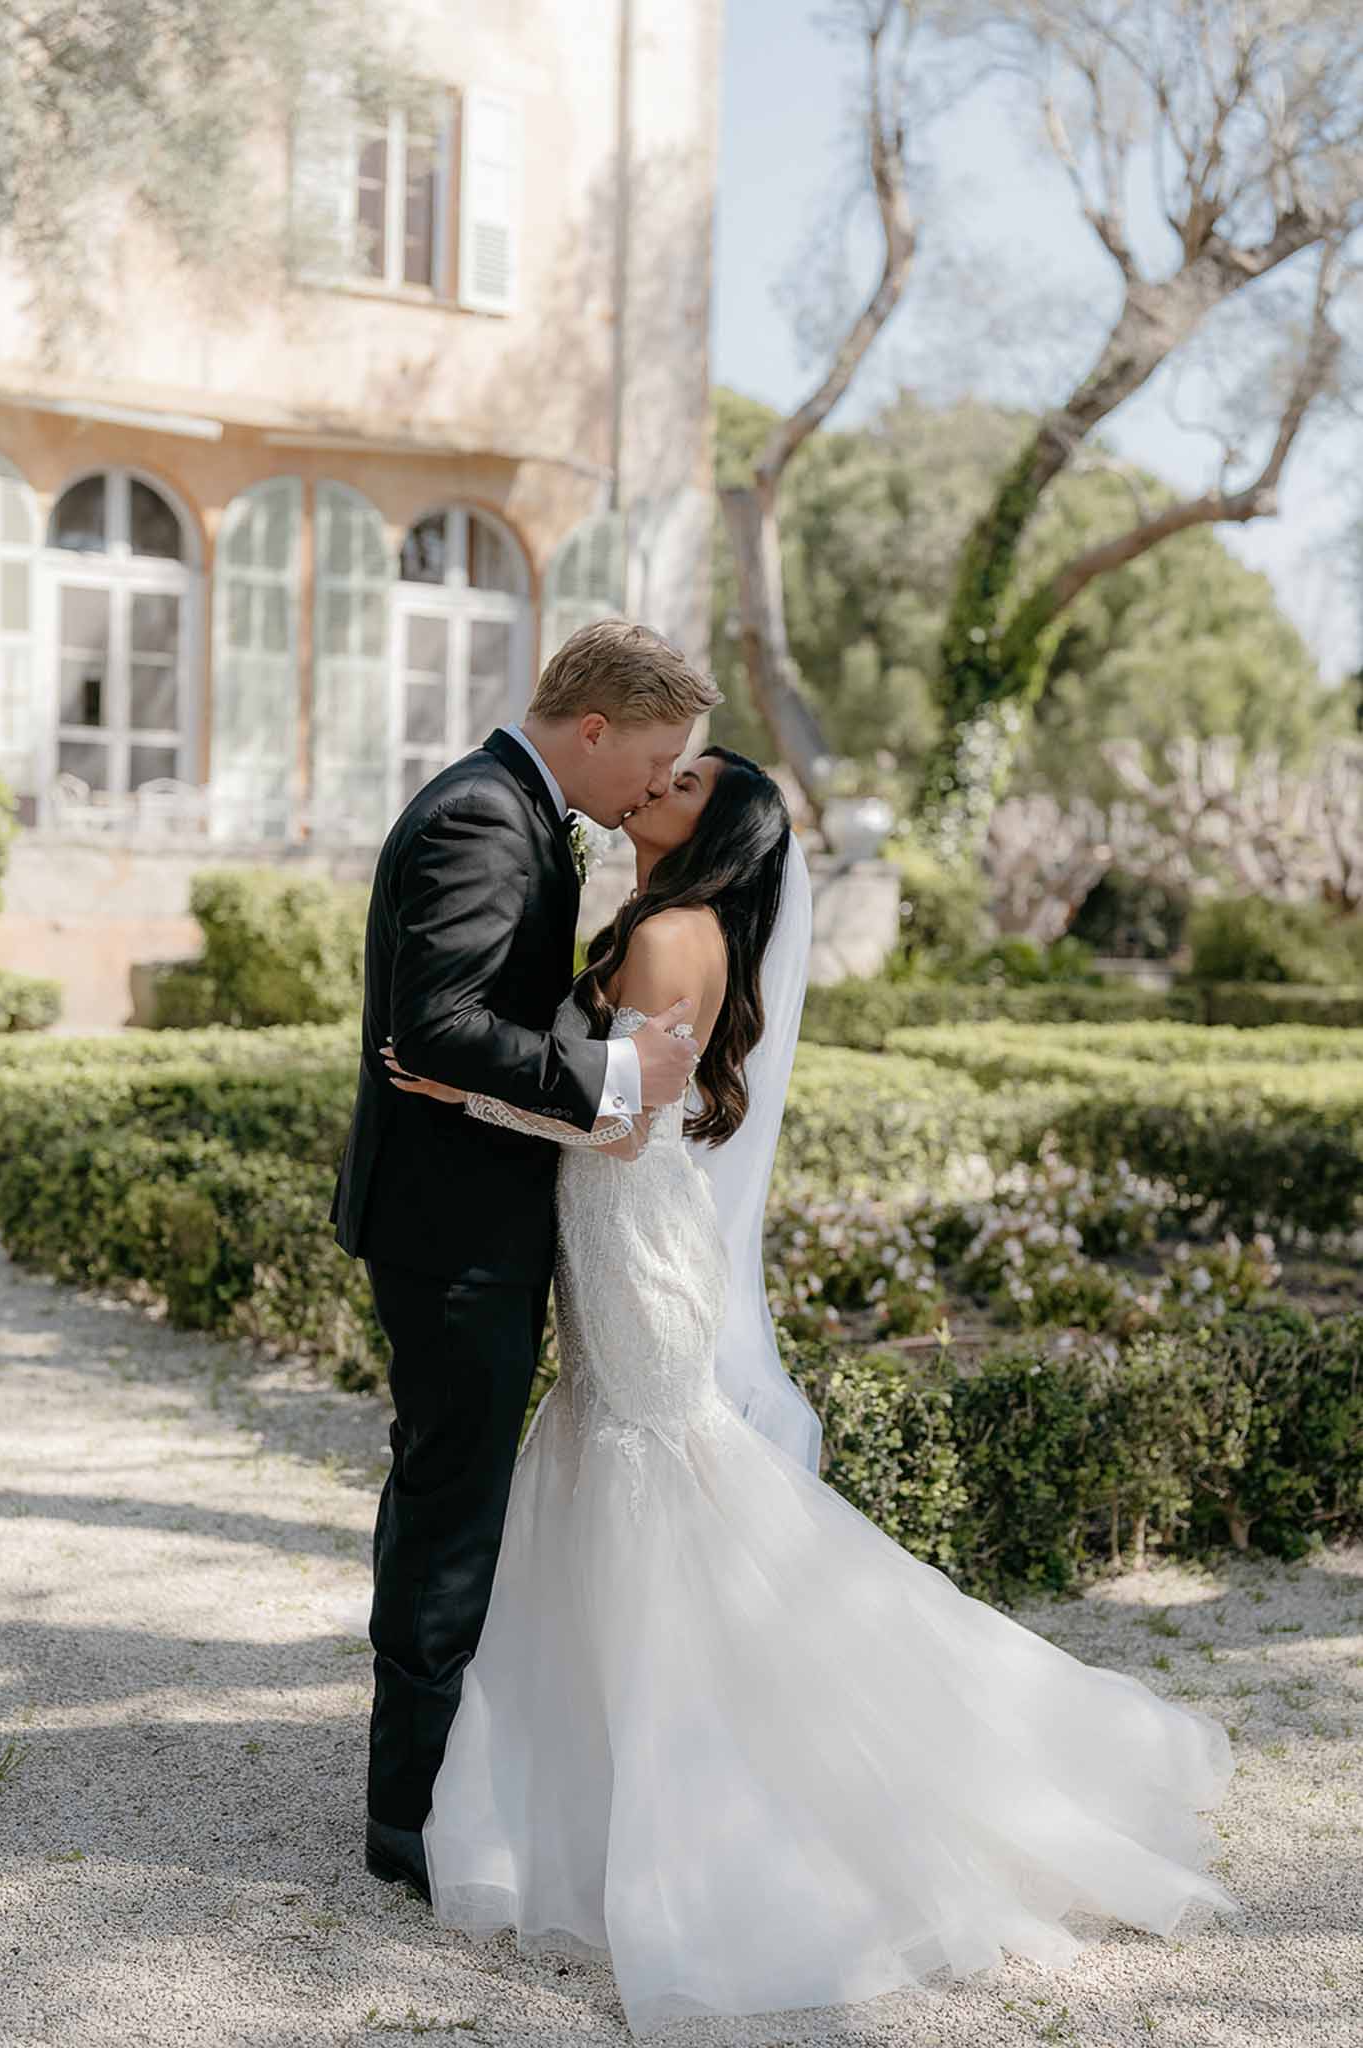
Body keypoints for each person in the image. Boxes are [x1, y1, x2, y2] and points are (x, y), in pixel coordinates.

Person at [380, 744, 1242, 2041]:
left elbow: (619, 1119)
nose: (655, 786)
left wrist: (469, 1090)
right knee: (619, 1473)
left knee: (662, 1485)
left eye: (684, 785)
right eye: (663, 773)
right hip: (616, 1234)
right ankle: (596, 1786)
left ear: (719, 832)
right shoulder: (664, 920)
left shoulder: (668, 934)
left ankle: (712, 1791)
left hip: (637, 1247)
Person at [329, 617, 723, 1900]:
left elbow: (464, 1025)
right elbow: (438, 1026)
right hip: (450, 1232)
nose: (655, 786)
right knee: (453, 1506)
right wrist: (619, 1071)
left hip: (469, 1217)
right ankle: (409, 1814)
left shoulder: (512, 807)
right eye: (652, 758)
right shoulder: (484, 817)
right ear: (593, 727)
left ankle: (429, 1779)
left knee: (448, 1488)